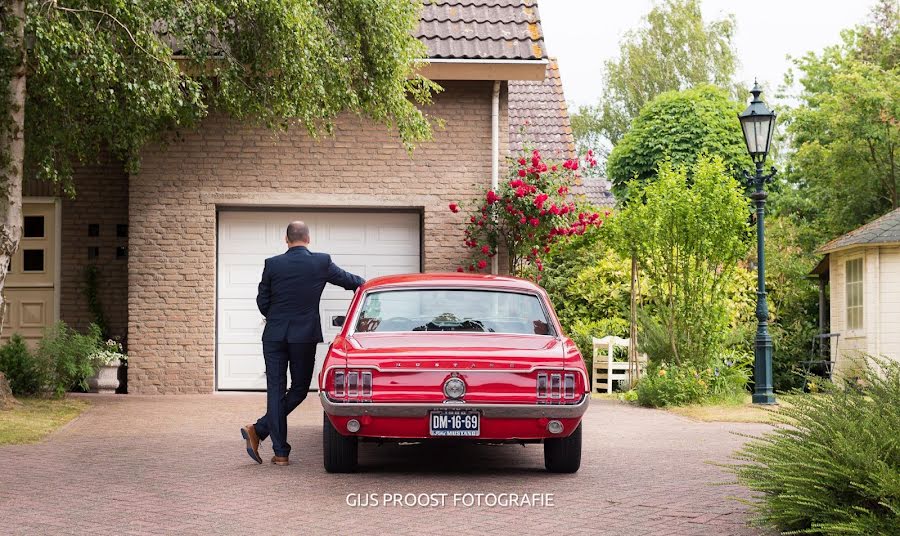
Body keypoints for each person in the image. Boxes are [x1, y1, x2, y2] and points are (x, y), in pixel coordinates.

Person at [241, 221, 364, 466]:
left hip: (274, 335)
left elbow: (262, 300)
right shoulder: (321, 262)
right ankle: (263, 435)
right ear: (308, 239)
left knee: (275, 391)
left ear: (286, 240)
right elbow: (354, 282)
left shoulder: (272, 264)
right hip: (304, 336)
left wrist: (275, 317)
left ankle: (277, 449)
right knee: (298, 390)